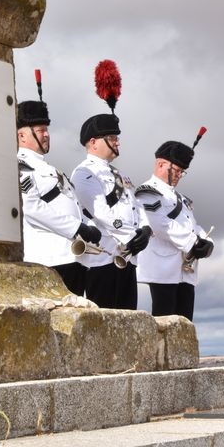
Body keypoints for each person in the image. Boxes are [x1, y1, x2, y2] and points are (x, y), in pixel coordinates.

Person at [16, 100, 101, 296]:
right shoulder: (20, 166)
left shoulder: (51, 169)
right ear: (22, 135)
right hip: (50, 258)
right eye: (40, 130)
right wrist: (76, 228)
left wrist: (90, 226)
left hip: (72, 257)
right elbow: (30, 207)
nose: (46, 134)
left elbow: (73, 204)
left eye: (46, 129)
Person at [71, 114, 151, 309]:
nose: (118, 143)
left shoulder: (120, 174)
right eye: (112, 138)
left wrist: (146, 229)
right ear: (93, 142)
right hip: (102, 259)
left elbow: (136, 206)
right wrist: (132, 236)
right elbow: (101, 212)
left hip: (128, 257)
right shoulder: (83, 173)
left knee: (129, 322)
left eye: (117, 138)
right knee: (103, 325)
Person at [135, 141, 213, 321]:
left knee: (185, 324)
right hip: (163, 268)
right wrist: (193, 243)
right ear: (161, 164)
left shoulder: (181, 199)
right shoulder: (148, 192)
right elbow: (160, 224)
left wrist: (207, 243)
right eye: (176, 170)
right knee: (165, 324)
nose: (178, 176)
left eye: (181, 172)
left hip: (185, 271)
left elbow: (194, 226)